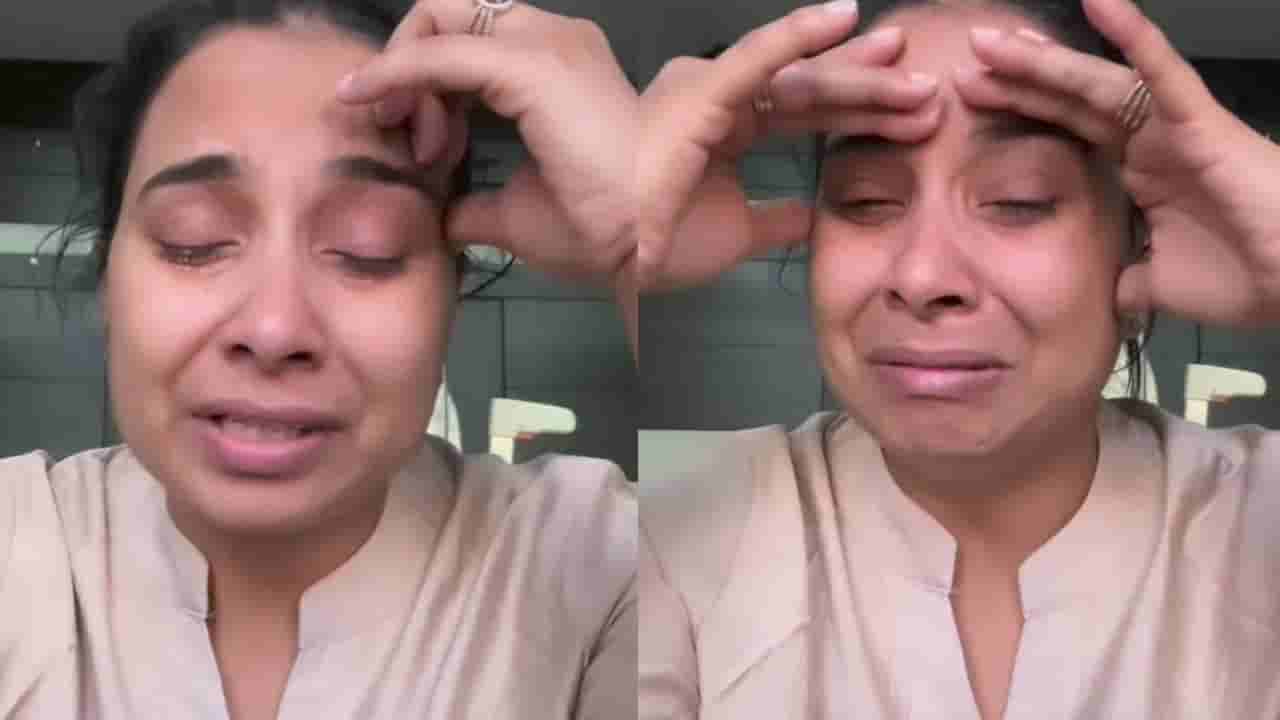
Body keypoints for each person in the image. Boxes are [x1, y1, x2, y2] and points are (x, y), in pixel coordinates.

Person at [637, 0, 1280, 717]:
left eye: (1018, 199)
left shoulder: (1258, 519)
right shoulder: (674, 537)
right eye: (866, 199)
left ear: (1136, 240)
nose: (923, 276)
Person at [0, 0, 638, 717]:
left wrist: (637, 234)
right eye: (193, 241)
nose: (275, 328)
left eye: (369, 248)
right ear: (107, 279)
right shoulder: (17, 546)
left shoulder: (596, 566)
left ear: (451, 295)